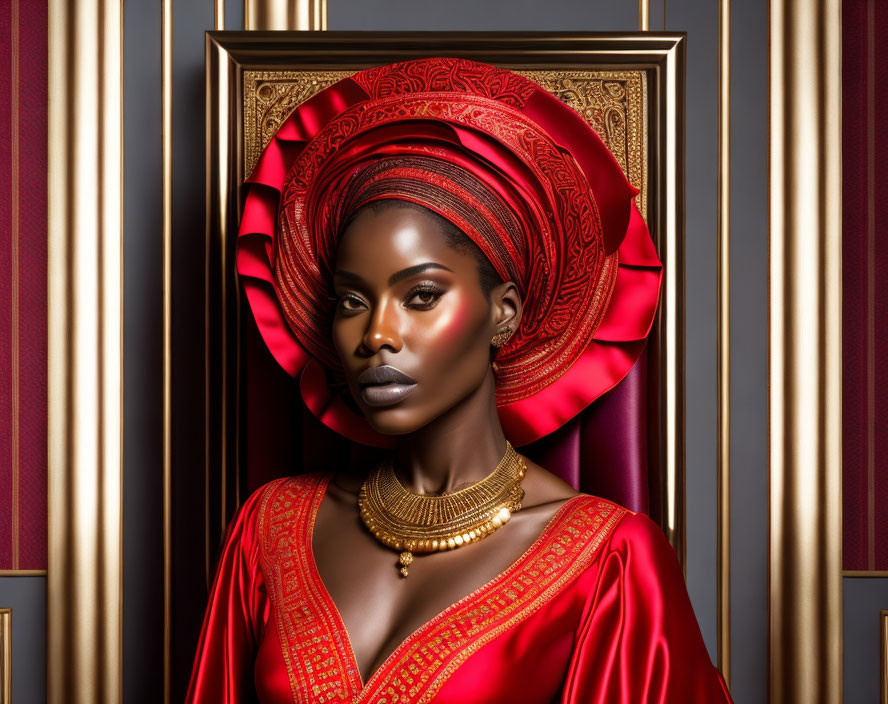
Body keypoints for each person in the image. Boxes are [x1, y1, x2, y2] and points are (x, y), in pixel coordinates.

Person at [187, 57, 733, 703]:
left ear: (503, 313)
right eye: (352, 301)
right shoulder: (269, 529)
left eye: (420, 295)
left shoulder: (607, 561)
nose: (375, 337)